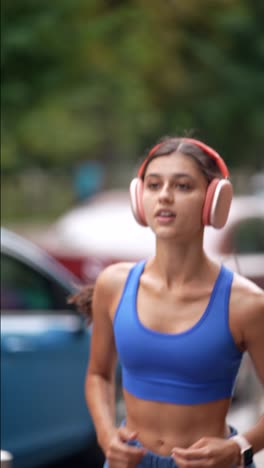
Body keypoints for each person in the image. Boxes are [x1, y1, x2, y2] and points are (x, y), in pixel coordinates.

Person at [70, 136, 264, 468]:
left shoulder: (246, 304)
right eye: (154, 184)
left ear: (213, 201)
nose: (164, 196)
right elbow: (98, 375)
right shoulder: (113, 284)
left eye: (183, 186)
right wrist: (106, 436)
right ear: (139, 197)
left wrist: (238, 447)